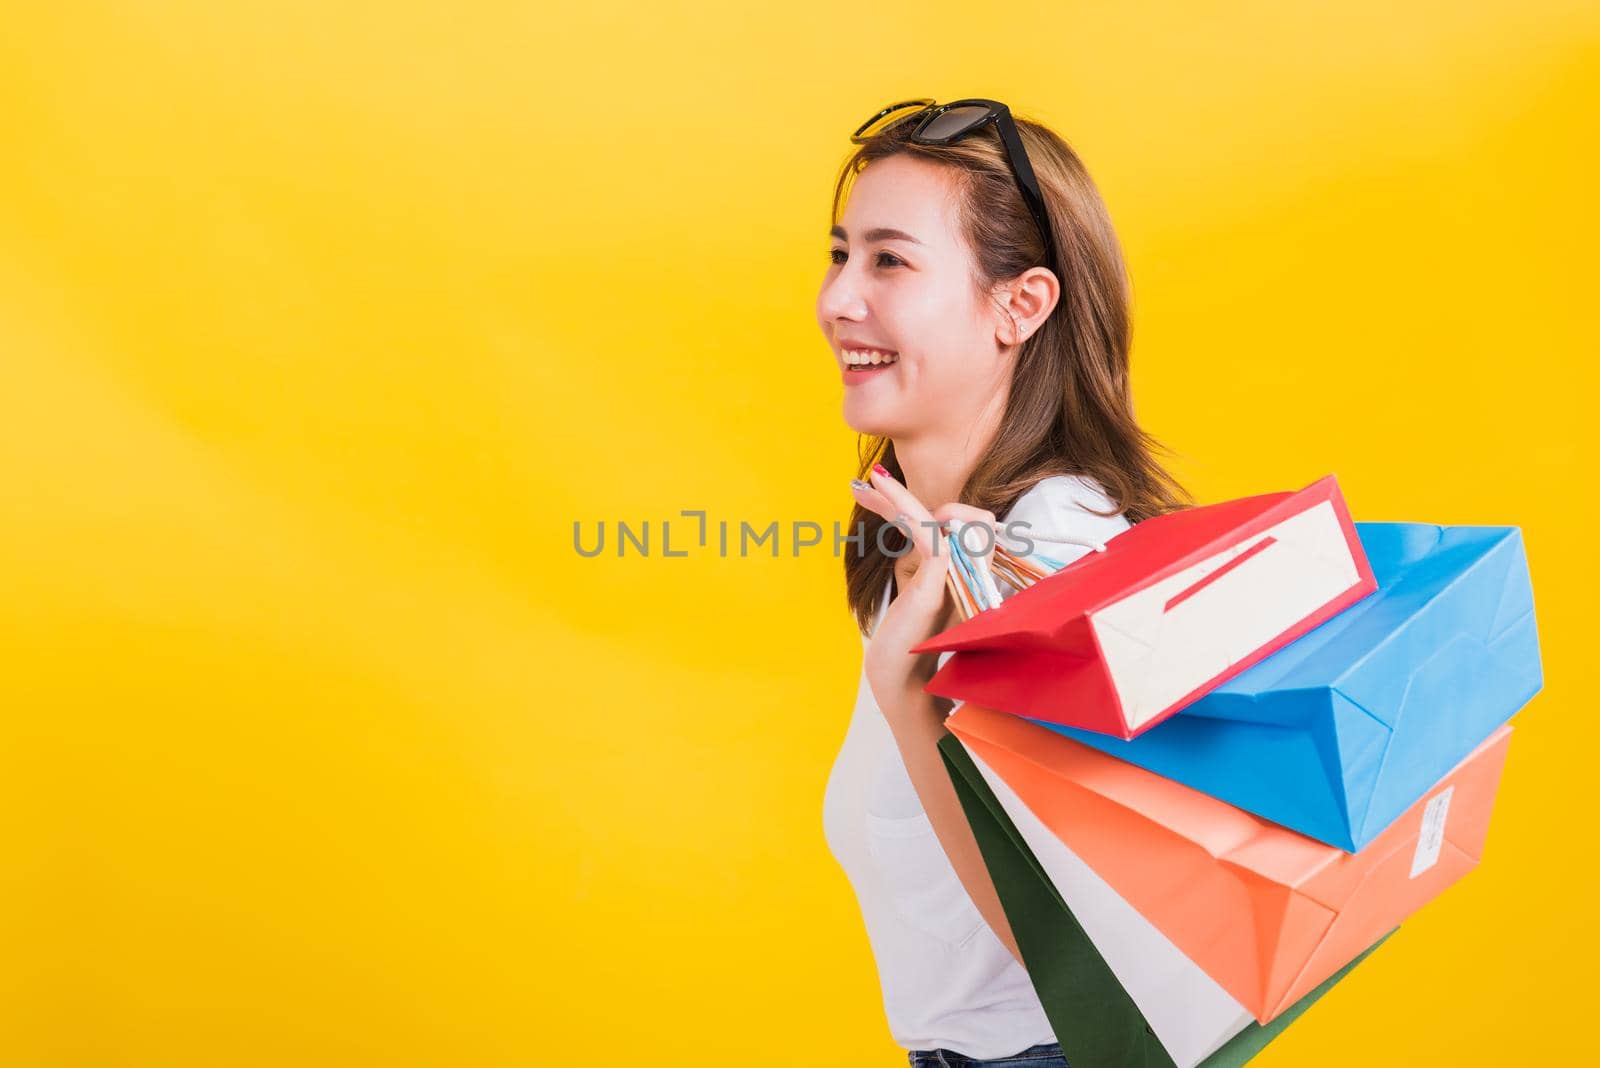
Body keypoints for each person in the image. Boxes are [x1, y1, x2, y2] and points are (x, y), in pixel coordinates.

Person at [817, 99, 1190, 1066]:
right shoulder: (933, 543)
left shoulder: (1053, 548)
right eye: (840, 254)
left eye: (890, 260)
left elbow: (1077, 953)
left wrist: (913, 704)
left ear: (1020, 305)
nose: (839, 299)